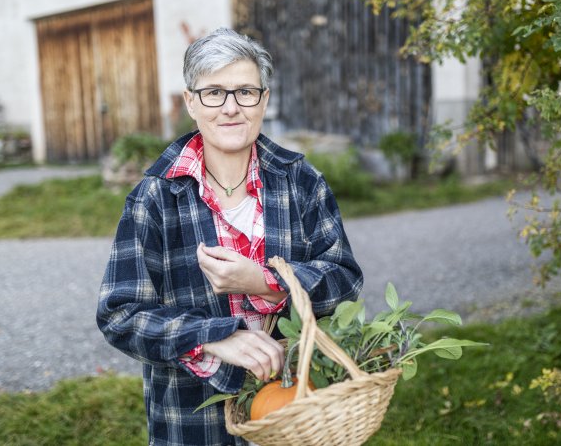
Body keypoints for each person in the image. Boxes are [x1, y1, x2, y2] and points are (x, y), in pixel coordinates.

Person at [96, 27, 363, 446]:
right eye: (214, 93)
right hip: (192, 419)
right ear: (191, 102)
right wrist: (214, 337)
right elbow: (120, 315)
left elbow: (345, 280)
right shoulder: (155, 198)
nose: (231, 108)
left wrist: (263, 282)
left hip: (298, 409)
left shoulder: (301, 182)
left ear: (265, 99)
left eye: (245, 92)